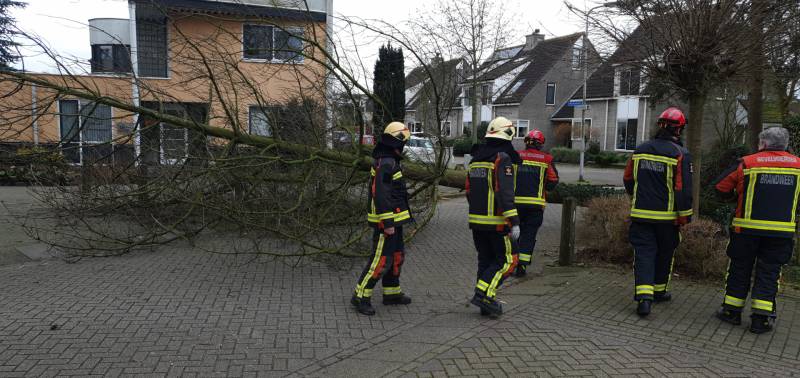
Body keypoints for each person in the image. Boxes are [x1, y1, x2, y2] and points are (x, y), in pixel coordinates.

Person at [713, 127, 800, 334]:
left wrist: (735, 198)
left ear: (763, 143)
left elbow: (721, 187)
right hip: (781, 232)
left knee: (739, 269)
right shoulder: (798, 165)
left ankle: (731, 311)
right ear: (785, 144)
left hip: (746, 230)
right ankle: (760, 320)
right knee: (769, 272)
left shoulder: (747, 162)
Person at [623, 107, 693, 317]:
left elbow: (628, 178)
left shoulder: (640, 150)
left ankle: (644, 299)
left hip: (641, 215)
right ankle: (659, 291)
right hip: (667, 219)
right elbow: (683, 189)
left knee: (644, 255)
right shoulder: (680, 154)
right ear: (679, 129)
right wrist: (684, 216)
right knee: (665, 253)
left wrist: (636, 197)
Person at [351, 122, 413, 316]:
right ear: (397, 141)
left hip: (395, 220)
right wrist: (387, 223)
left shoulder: (389, 160)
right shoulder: (386, 162)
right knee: (380, 260)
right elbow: (381, 194)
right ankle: (360, 296)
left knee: (396, 257)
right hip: (386, 222)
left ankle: (392, 293)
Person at [466, 116, 521, 318]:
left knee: (486, 261)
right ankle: (483, 295)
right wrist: (514, 222)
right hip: (498, 223)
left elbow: (468, 191)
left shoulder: (475, 160)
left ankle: (485, 303)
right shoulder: (502, 158)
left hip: (477, 223)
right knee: (509, 261)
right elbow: (504, 193)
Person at [513, 129, 559, 277]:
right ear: (540, 144)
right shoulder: (547, 159)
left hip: (515, 205)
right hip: (535, 206)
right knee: (529, 235)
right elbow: (553, 181)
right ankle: (522, 266)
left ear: (526, 142)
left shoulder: (515, 156)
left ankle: (512, 263)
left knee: (514, 234)